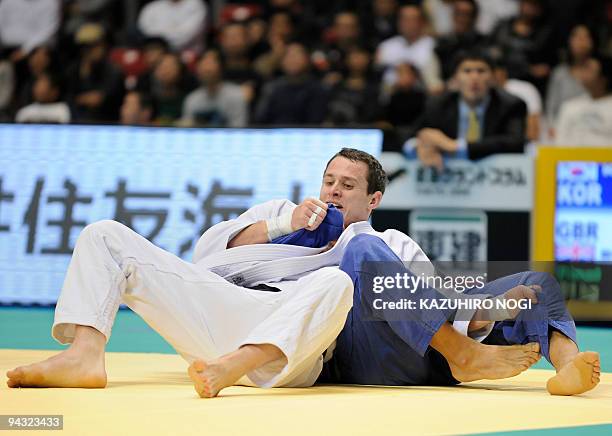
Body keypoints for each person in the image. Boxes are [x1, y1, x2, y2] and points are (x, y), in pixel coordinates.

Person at [7, 149, 601, 399]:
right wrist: (285, 227)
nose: (334, 192)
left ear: (371, 201)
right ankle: (85, 355)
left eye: (348, 188)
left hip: (303, 345)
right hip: (224, 310)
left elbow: (422, 299)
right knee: (103, 234)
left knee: (347, 275)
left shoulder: (383, 238)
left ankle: (565, 361)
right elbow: (206, 258)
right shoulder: (273, 214)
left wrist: (486, 310)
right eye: (329, 182)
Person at [406, 49, 527, 169]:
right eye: (467, 71)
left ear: (493, 77)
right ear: (455, 78)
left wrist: (456, 146)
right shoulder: (438, 105)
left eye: (481, 71)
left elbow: (515, 142)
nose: (474, 77)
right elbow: (407, 136)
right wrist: (420, 147)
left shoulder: (511, 105)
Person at [555, 55, 612, 146]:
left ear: (604, 78)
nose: (583, 74)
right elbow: (560, 142)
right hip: (572, 159)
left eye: (589, 70)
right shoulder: (570, 106)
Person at [181, 49, 247, 127]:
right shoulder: (192, 99)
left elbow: (239, 130)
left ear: (221, 68)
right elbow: (187, 130)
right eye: (203, 64)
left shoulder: (236, 95)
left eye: (211, 64)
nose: (207, 68)